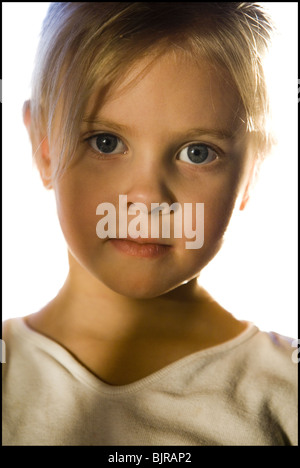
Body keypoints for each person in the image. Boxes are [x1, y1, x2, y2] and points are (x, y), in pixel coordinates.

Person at [2, 2, 297, 446]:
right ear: (44, 148)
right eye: (106, 142)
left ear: (251, 170)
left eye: (197, 152)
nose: (148, 199)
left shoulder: (285, 391)